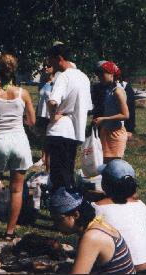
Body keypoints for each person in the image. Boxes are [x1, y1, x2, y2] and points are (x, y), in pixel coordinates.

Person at [0, 53, 36, 240]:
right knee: (16, 190)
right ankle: (10, 232)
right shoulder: (23, 93)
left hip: (0, 140)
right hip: (20, 141)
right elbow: (32, 121)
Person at [49, 187, 136, 274]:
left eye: (57, 219)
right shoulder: (98, 225)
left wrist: (54, 268)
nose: (55, 224)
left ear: (75, 215)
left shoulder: (91, 237)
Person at [44, 43, 92, 192]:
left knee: (58, 174)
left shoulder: (63, 77)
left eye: (50, 60)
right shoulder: (84, 77)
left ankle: (61, 205)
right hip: (74, 131)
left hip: (59, 130)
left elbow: (53, 101)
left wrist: (54, 115)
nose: (49, 64)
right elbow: (88, 107)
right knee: (68, 170)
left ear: (59, 59)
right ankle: (69, 201)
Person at [92, 159, 146, 272]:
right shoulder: (141, 206)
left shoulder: (96, 208)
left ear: (104, 184)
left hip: (119, 269)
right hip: (145, 265)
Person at [92, 61, 129, 163]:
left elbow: (125, 115)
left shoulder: (118, 91)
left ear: (111, 74)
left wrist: (104, 119)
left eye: (102, 74)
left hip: (116, 133)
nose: (99, 77)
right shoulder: (109, 90)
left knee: (114, 166)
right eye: (98, 74)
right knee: (105, 165)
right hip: (106, 131)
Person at [33, 60, 54, 168]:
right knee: (43, 137)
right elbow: (40, 99)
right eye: (44, 65)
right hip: (42, 113)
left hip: (51, 114)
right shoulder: (42, 82)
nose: (46, 67)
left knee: (50, 137)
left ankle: (50, 159)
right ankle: (43, 158)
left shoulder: (56, 82)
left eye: (48, 65)